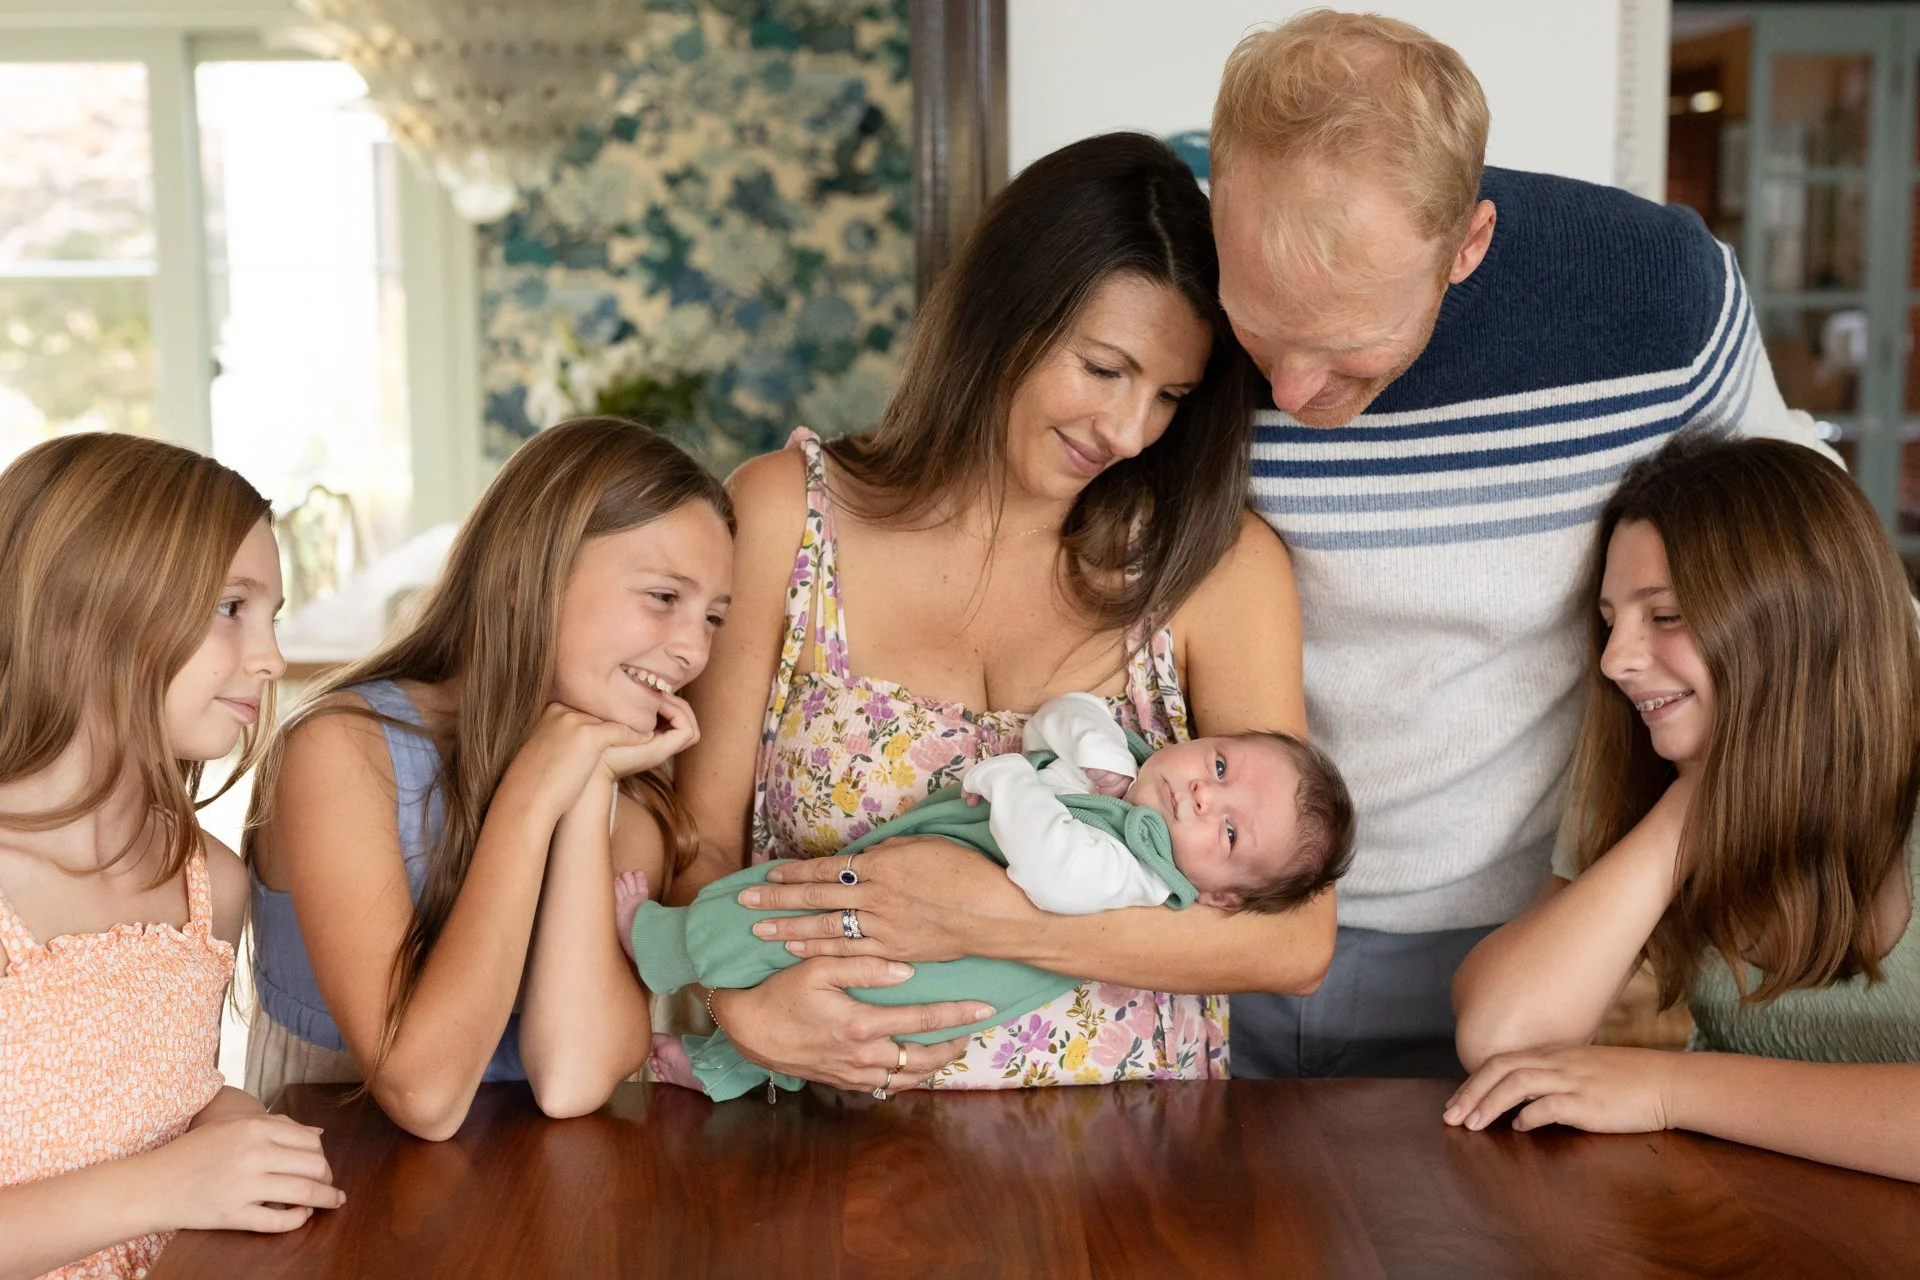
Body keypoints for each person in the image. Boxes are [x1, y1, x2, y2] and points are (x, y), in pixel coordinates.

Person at [1206, 10, 1839, 1077]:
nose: (1289, 392)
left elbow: (1807, 547)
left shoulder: (1655, 302)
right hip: (1206, 925)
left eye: (1347, 352)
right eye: (1256, 330)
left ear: (1470, 244)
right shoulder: (1166, 275)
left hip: (1510, 946)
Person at [674, 130, 1330, 1098]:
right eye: (1104, 368)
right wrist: (742, 1010)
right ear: (1007, 316)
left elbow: (1297, 937)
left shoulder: (1216, 570)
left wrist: (995, 924)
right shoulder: (785, 516)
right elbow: (699, 841)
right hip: (831, 1163)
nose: (1129, 430)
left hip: (1143, 1177)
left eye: (1170, 397)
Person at [244, 418, 732, 1139]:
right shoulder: (340, 753)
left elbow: (572, 1077)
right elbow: (426, 1095)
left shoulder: (630, 794)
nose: (693, 649)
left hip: (533, 1198)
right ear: (519, 579)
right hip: (340, 1184)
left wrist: (586, 787)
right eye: (664, 597)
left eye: (715, 617)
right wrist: (533, 795)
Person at [1448, 436, 1920, 1181]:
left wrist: (1671, 1087)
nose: (1615, 660)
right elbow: (1506, 1030)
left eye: (1663, 615)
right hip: (1737, 1220)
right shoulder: (1661, 756)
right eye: (1612, 621)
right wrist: (1693, 807)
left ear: (1794, 619)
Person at [623, 692, 1355, 1099]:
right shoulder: (1131, 778)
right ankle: (720, 1066)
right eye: (1219, 763)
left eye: (1229, 834)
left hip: (935, 973)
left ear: (1220, 899)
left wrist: (1012, 779)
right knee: (800, 984)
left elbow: (1050, 866)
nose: (1200, 792)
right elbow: (1060, 715)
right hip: (904, 946)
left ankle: (655, 946)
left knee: (770, 916)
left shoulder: (1137, 871)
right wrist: (1100, 754)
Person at [0, 435, 342, 1278]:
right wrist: (167, 1186)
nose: (270, 658)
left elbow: (150, 1102)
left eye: (273, 616)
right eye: (232, 607)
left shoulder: (210, 885)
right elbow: (158, 1176)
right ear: (89, 606)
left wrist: (226, 1116)